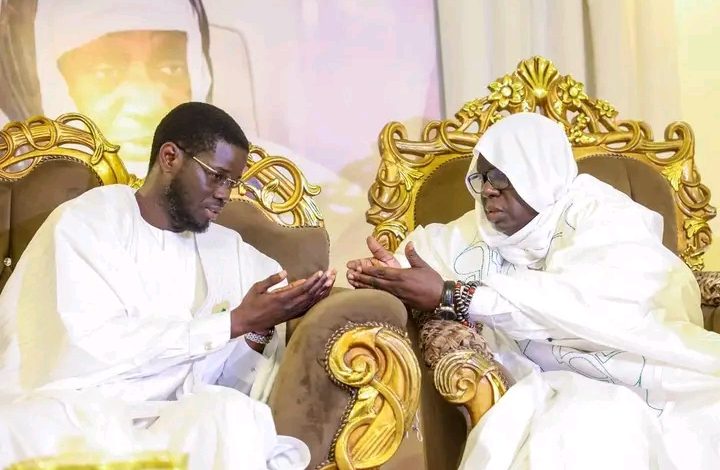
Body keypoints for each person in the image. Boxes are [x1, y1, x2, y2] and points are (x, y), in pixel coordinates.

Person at [347, 113, 720, 469]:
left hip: (644, 365)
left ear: (538, 172)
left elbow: (582, 304)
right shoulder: (471, 233)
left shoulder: (601, 214)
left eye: (500, 177)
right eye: (481, 177)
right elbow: (419, 260)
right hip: (549, 384)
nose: (487, 190)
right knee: (587, 427)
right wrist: (390, 273)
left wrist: (452, 294)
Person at [0, 102, 335, 469]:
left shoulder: (235, 255)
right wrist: (231, 323)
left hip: (175, 423)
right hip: (81, 415)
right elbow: (81, 355)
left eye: (232, 183)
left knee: (233, 414)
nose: (225, 194)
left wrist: (258, 329)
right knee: (19, 429)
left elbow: (233, 384)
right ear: (170, 157)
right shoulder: (88, 223)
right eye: (217, 176)